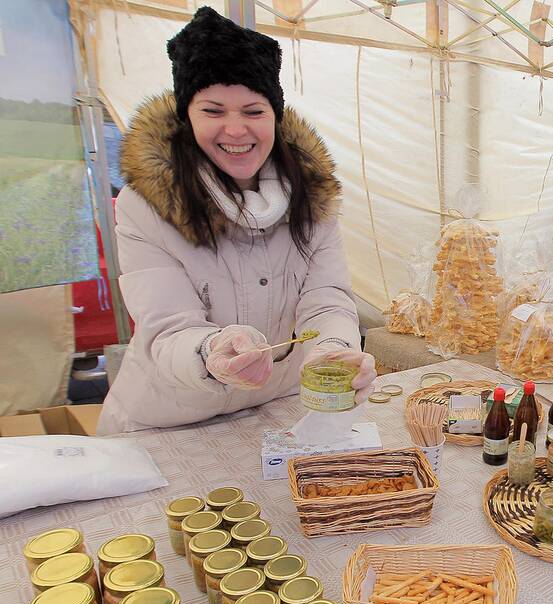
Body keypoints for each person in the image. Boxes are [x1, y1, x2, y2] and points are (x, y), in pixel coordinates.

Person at [97, 8, 375, 434]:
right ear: (187, 117)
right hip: (174, 418)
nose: (235, 129)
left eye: (253, 110)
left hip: (275, 407)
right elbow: (168, 326)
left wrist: (335, 347)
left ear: (275, 116)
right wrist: (212, 349)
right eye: (213, 110)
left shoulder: (311, 194)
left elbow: (326, 295)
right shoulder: (147, 203)